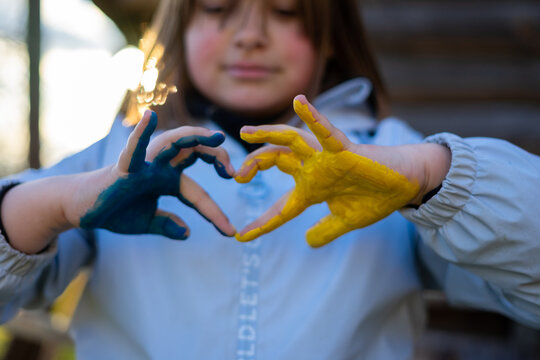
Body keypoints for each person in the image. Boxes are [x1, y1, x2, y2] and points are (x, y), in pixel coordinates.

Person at [1, 0, 540, 358]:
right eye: (218, 7)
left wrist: (434, 177)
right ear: (180, 28)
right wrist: (56, 202)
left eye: (285, 11)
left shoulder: (394, 159)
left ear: (331, 37)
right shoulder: (114, 158)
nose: (251, 35)